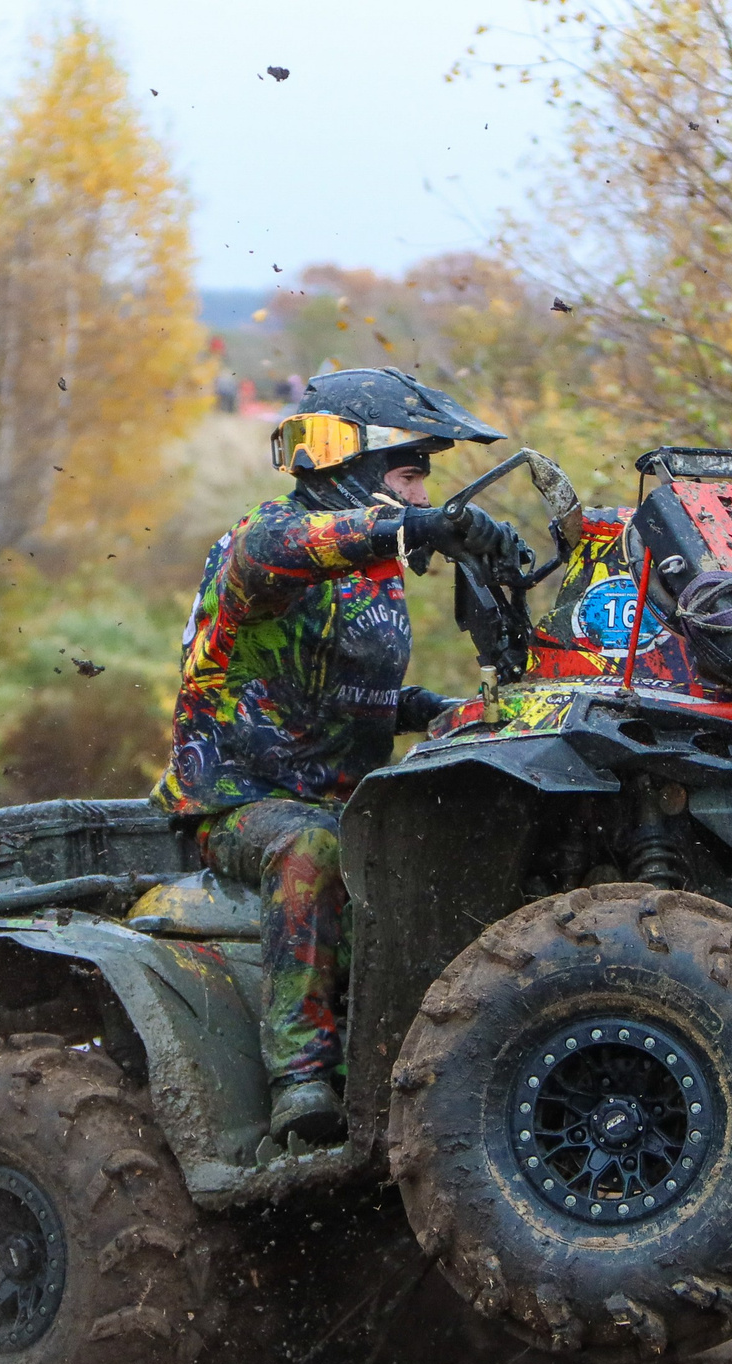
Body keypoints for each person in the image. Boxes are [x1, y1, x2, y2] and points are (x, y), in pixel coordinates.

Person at [150, 367, 525, 1150]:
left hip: (346, 798)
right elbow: (300, 546)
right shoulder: (265, 541)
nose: (422, 492)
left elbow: (348, 693)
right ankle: (300, 1080)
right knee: (311, 845)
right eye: (410, 474)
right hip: (239, 806)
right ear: (352, 464)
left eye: (424, 480)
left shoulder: (376, 576)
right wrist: (426, 527)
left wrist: (440, 711)